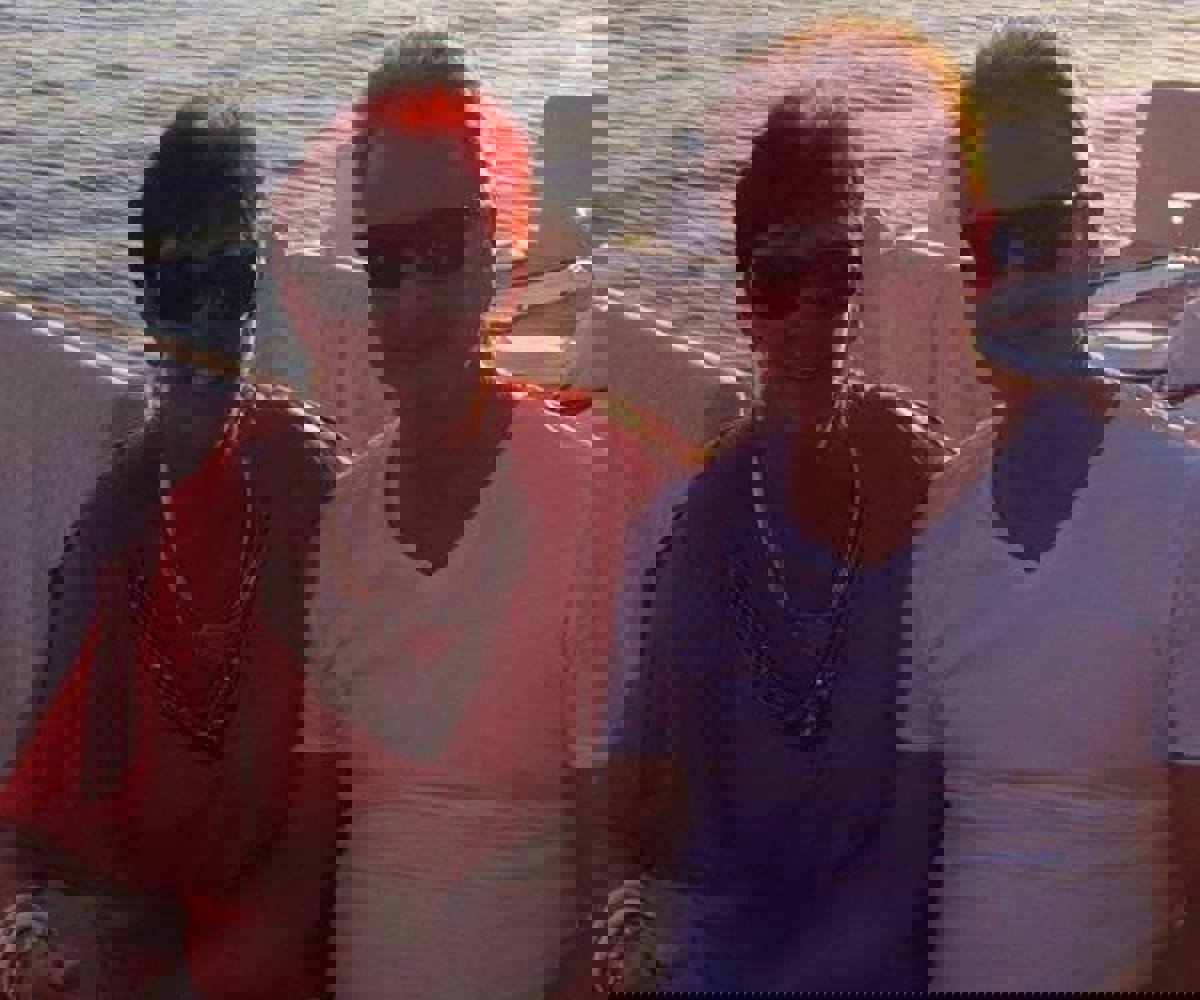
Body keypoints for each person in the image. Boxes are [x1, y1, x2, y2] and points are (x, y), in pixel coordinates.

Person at [596, 90, 947, 993]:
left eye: (836, 271)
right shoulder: (687, 530)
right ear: (746, 301)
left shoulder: (923, 490)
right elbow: (632, 811)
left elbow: (927, 814)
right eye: (780, 281)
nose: (811, 313)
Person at [0, 99, 340, 998]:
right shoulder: (119, 518)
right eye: (178, 291)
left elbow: (298, 877)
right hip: (137, 952)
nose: (205, 328)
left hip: (264, 965)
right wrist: (26, 940)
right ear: (144, 300)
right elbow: (32, 813)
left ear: (261, 296)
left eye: (230, 287)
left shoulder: (298, 484)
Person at [907, 23, 1200, 991]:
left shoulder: (1181, 511)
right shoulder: (940, 525)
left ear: (1087, 233)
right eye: (989, 246)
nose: (1017, 276)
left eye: (1037, 236)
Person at [308, 34, 597, 1000]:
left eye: (439, 251)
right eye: (385, 263)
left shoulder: (584, 499)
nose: (411, 300)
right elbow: (311, 859)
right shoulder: (344, 523)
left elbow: (614, 881)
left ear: (494, 252)